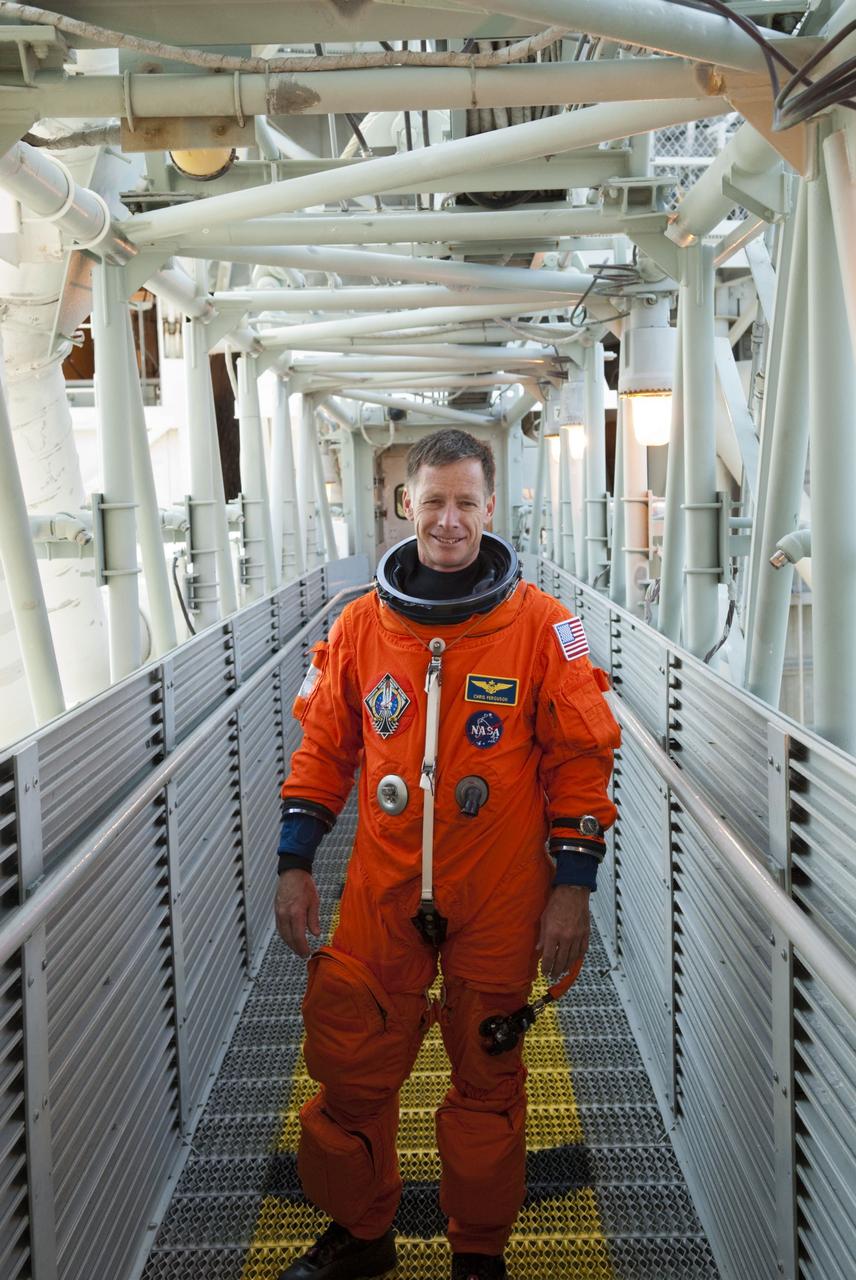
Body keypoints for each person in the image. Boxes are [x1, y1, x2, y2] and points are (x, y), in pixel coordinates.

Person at [274, 429, 620, 1280]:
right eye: (433, 501)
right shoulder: (360, 626)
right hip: (383, 887)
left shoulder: (545, 629)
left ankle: (477, 1255)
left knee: (487, 1083)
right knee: (352, 1069)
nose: (450, 520)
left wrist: (571, 889)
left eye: (466, 502)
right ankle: (363, 1235)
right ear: (405, 505)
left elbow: (582, 762)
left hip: (500, 892)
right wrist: (293, 861)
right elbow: (323, 749)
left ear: (491, 507)